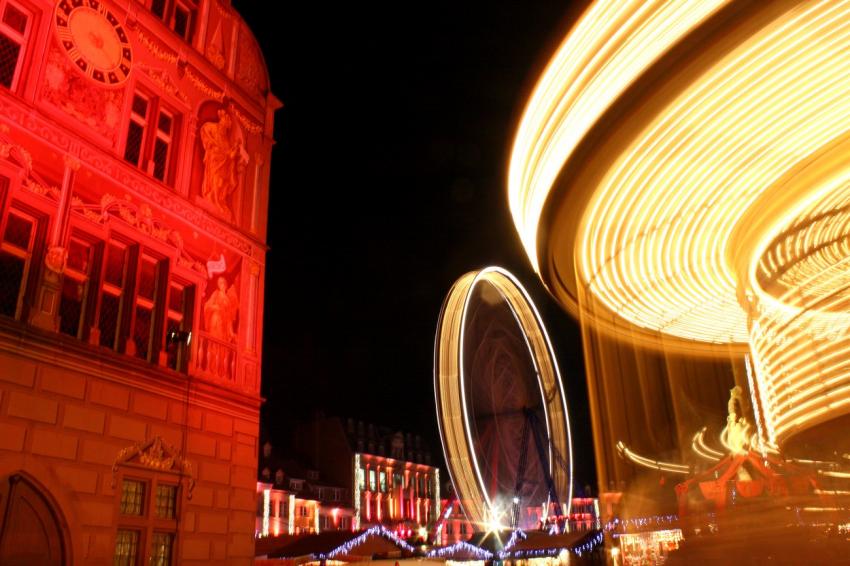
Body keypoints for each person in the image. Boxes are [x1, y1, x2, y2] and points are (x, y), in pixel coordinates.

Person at [199, 110, 247, 218]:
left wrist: (235, 148)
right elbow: (204, 133)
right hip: (214, 161)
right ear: (222, 119)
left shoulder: (227, 141)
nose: (228, 124)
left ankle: (219, 201)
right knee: (216, 179)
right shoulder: (211, 127)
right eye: (227, 120)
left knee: (221, 182)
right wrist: (214, 146)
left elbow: (230, 156)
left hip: (224, 165)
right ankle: (214, 199)